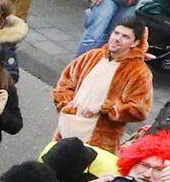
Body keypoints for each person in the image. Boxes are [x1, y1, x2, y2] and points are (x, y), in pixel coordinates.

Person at [48, 19, 154, 150]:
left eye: (125, 36)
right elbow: (65, 82)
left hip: (99, 141)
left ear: (135, 43)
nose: (117, 39)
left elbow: (139, 110)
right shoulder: (92, 56)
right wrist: (66, 104)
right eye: (116, 33)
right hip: (65, 130)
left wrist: (105, 108)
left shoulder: (139, 72)